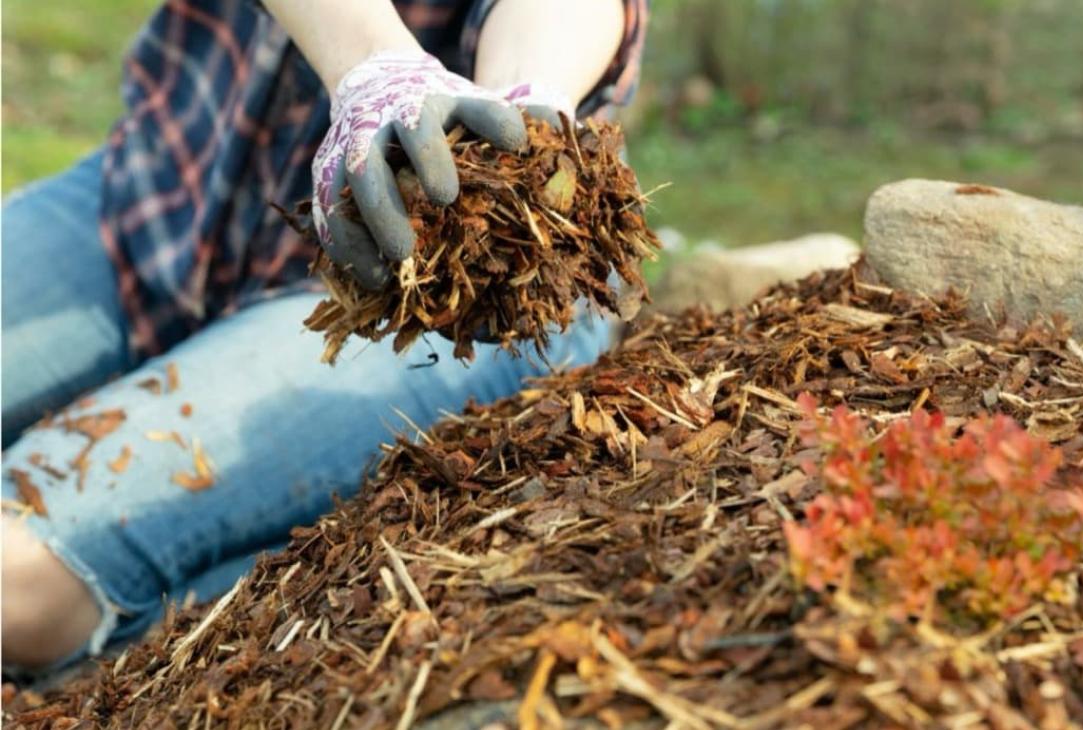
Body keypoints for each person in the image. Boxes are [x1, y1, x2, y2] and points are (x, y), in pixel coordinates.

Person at [1, 0, 647, 671]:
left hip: (406, 300)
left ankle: (252, 592)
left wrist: (527, 98)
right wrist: (378, 68)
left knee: (18, 585)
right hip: (163, 191)